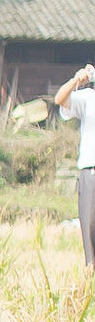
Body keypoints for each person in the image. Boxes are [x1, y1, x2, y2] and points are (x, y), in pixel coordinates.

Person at [56, 64, 95, 266]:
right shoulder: (88, 98)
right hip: (91, 172)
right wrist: (76, 80)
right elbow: (60, 99)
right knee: (90, 228)